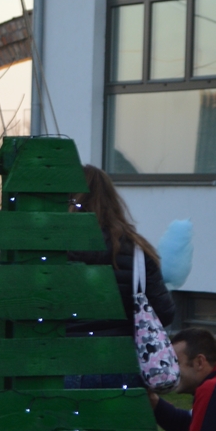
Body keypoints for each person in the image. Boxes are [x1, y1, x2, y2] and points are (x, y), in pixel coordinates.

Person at [66, 165, 175, 386]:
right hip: (122, 366)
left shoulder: (54, 250)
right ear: (113, 200)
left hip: (65, 362)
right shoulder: (137, 251)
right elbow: (164, 313)